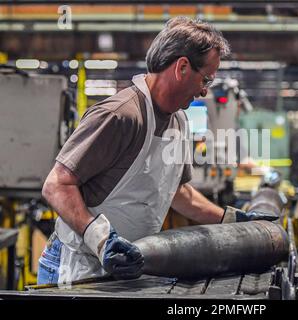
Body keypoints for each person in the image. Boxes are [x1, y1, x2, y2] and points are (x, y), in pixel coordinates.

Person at [38, 16, 277, 285]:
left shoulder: (178, 121)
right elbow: (56, 184)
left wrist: (232, 219)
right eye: (206, 80)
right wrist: (102, 240)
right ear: (182, 67)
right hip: (79, 266)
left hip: (127, 265)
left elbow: (177, 191)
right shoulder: (120, 116)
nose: (203, 92)